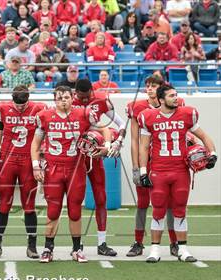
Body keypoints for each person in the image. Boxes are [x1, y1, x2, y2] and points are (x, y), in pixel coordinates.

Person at [31, 85, 111, 263]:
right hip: (53, 169)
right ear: (54, 99)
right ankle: (48, 249)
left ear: (72, 97)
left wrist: (106, 145)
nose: (63, 100)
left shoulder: (83, 113)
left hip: (76, 169)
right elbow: (35, 144)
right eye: (59, 98)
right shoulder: (44, 116)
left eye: (66, 97)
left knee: (75, 212)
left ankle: (76, 249)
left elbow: (105, 129)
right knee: (53, 211)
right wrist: (36, 166)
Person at [138, 84, 217, 263]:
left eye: (176, 94)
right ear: (161, 99)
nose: (176, 98)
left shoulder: (187, 114)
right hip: (158, 170)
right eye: (172, 95)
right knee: (158, 209)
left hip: (181, 170)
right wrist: (144, 171)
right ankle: (155, 249)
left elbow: (204, 136)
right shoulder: (148, 117)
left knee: (180, 209)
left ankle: (183, 249)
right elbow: (143, 147)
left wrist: (213, 154)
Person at [125, 75, 182, 257]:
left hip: (166, 163)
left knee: (171, 204)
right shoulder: (138, 107)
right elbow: (135, 140)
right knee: (142, 203)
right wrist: (136, 166)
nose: (149, 88)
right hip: (145, 162)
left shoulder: (174, 104)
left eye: (154, 85)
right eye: (148, 85)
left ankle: (175, 242)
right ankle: (138, 242)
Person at [0, 85, 47, 259]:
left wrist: (40, 161)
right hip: (7, 160)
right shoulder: (3, 109)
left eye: (23, 104)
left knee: (29, 205)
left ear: (28, 99)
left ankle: (32, 246)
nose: (20, 108)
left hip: (28, 161)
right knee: (4, 204)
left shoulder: (39, 109)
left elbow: (44, 136)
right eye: (17, 104)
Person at [73, 79, 126, 255]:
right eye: (81, 97)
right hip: (76, 156)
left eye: (87, 97)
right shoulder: (68, 101)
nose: (84, 100)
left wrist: (115, 143)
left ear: (92, 92)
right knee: (75, 200)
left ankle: (102, 243)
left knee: (101, 198)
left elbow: (121, 124)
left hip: (96, 154)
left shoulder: (101, 99)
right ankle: (77, 244)